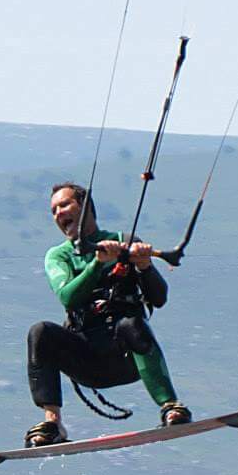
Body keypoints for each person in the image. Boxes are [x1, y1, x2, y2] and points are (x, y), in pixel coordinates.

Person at [24, 182, 190, 447]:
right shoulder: (59, 256)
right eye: (53, 210)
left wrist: (145, 265)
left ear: (86, 205)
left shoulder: (125, 242)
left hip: (127, 356)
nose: (58, 213)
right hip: (87, 360)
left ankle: (171, 406)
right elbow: (68, 296)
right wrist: (97, 264)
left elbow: (159, 298)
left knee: (131, 323)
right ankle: (52, 423)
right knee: (40, 332)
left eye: (64, 205)